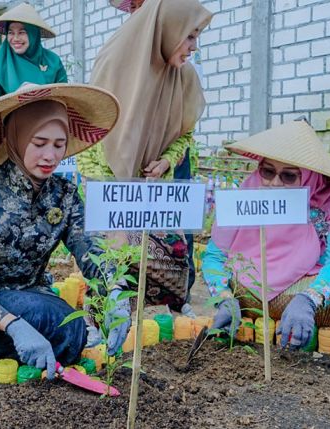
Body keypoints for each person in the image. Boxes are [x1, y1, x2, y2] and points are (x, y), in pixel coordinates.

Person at [0, 83, 127, 378]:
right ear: (18, 138)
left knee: (71, 325)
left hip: (30, 296)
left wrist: (115, 292)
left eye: (59, 145)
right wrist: (12, 323)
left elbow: (90, 250)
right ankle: (8, 344)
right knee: (46, 318)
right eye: (39, 143)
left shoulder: (64, 195)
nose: (50, 155)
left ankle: (21, 348)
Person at [77, 0, 212, 316]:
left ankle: (171, 315)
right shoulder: (114, 62)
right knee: (110, 264)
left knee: (164, 264)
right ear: (167, 29)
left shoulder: (185, 77)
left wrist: (167, 160)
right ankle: (106, 324)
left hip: (155, 186)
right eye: (189, 36)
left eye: (196, 36)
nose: (194, 46)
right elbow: (92, 132)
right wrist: (119, 194)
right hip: (109, 182)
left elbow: (185, 135)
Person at [203, 120, 330, 349]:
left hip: (307, 296)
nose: (274, 183)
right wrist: (225, 297)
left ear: (309, 175)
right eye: (267, 171)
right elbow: (214, 257)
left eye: (289, 176)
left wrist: (309, 299)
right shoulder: (248, 193)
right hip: (248, 298)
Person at [0, 2, 67, 105]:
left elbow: (65, 97)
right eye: (11, 33)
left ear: (33, 34)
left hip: (50, 116)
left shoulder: (53, 61)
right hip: (12, 118)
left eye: (22, 32)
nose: (15, 39)